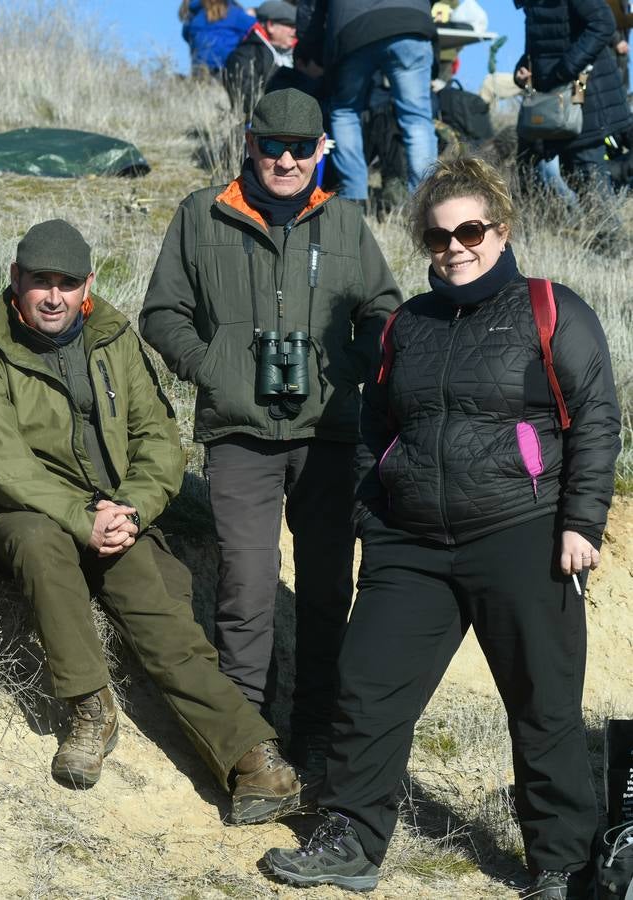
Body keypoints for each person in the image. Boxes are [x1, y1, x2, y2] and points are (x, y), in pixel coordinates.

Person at [262, 155, 620, 899]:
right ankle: (352, 839)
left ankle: (560, 863)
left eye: (470, 230)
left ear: (502, 229)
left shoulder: (554, 309)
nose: (454, 247)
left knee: (542, 704)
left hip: (522, 530)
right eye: (437, 236)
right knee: (366, 689)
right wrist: (373, 513)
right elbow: (375, 424)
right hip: (411, 543)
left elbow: (596, 419)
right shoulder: (406, 327)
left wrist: (580, 521)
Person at [0, 219, 302, 821]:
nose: (53, 297)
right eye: (40, 282)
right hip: (30, 513)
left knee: (158, 607)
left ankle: (253, 758)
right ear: (15, 280)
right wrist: (76, 516)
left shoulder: (115, 339)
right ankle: (90, 709)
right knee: (38, 543)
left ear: (89, 283)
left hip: (116, 510)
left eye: (66, 283)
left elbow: (159, 438)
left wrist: (133, 507)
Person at [140, 89, 402, 779]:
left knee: (323, 592)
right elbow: (163, 313)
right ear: (248, 144)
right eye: (271, 145)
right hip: (240, 436)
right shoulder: (202, 214)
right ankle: (247, 740)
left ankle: (315, 730)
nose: (284, 159)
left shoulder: (346, 222)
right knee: (246, 591)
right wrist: (216, 366)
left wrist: (341, 368)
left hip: (329, 437)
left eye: (299, 147)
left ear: (323, 151)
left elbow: (386, 314)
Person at [296, 0, 437, 204]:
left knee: (345, 112)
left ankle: (353, 198)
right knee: (417, 119)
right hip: (410, 23)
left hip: (352, 30)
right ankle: (424, 202)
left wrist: (312, 52)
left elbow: (312, 11)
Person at [514, 0, 630, 248]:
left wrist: (564, 69)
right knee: (572, 175)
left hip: (585, 97)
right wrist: (523, 68)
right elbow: (540, 44)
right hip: (554, 102)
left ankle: (616, 251)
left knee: (589, 175)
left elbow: (603, 23)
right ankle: (604, 243)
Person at [224, 0, 298, 116]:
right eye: (290, 25)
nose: (294, 32)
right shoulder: (244, 57)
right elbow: (247, 101)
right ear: (270, 26)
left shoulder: (295, 54)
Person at [182, 0, 257, 74]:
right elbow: (255, 27)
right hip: (225, 69)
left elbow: (186, 35)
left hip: (198, 68)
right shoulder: (234, 14)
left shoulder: (195, 15)